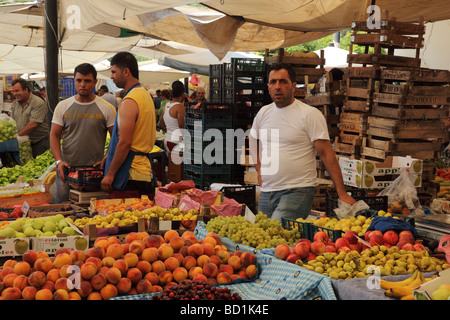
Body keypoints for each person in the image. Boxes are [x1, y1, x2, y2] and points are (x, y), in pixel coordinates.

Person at [249, 63, 356, 221]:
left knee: (278, 234)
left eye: (283, 81)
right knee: (262, 238)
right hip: (268, 192)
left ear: (293, 86)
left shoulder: (309, 114)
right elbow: (253, 138)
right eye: (273, 82)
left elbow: (326, 153)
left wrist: (341, 193)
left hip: (297, 190)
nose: (277, 86)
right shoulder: (264, 113)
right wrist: (259, 170)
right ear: (268, 86)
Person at [50, 63, 116, 203]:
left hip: (94, 171)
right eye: (79, 80)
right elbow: (54, 135)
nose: (82, 84)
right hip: (66, 169)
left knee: (91, 211)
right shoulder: (63, 106)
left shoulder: (107, 108)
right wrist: (58, 162)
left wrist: (106, 157)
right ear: (74, 80)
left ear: (95, 82)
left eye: (87, 81)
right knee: (62, 208)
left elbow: (116, 137)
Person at [101, 52, 156, 198]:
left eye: (113, 72)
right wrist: (110, 156)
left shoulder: (130, 100)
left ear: (126, 72)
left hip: (130, 174)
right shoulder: (144, 95)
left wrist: (110, 173)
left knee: (124, 220)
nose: (111, 76)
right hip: (144, 171)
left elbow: (125, 142)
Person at [10, 78, 50, 158]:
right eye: (13, 91)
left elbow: (33, 124)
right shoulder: (15, 104)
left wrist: (18, 136)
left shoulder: (37, 102)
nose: (14, 94)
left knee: (39, 166)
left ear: (26, 90)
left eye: (17, 91)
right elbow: (12, 122)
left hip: (39, 142)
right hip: (23, 142)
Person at [158, 81, 185, 153]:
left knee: (171, 163)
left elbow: (161, 122)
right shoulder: (180, 107)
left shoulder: (167, 104)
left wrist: (168, 132)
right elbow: (181, 126)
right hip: (176, 142)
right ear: (182, 93)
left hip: (167, 140)